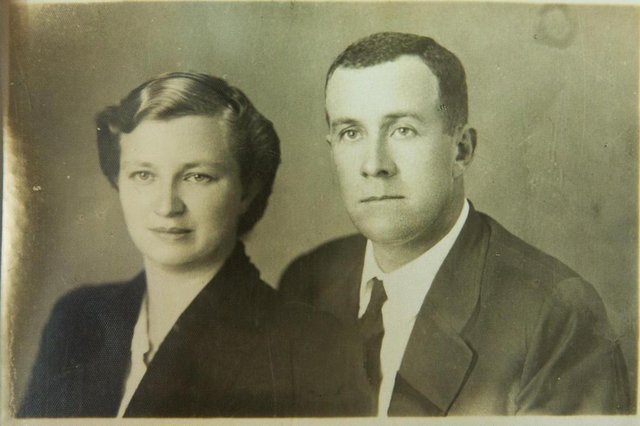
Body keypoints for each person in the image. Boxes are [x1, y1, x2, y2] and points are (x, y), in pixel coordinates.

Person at [279, 32, 630, 416]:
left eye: (403, 130)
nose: (373, 164)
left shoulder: (555, 314)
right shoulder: (306, 281)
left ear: (461, 150)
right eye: (351, 133)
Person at [19, 72, 371, 417]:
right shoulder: (79, 318)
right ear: (119, 180)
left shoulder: (310, 346)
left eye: (197, 176)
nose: (167, 205)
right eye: (144, 175)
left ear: (246, 190)